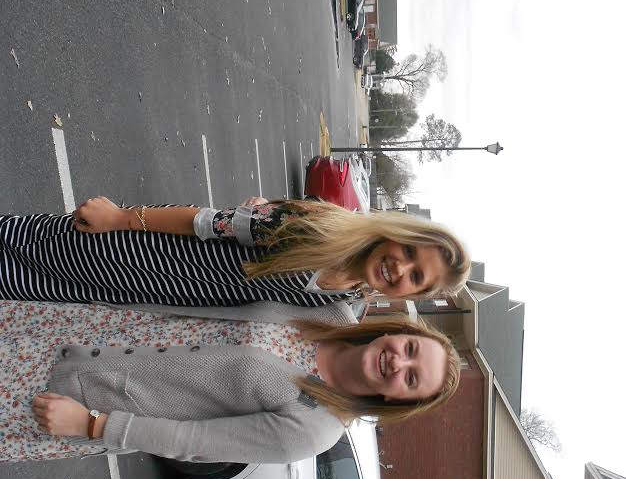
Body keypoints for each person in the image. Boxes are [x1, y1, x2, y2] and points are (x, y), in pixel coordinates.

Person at [0, 300, 460, 464]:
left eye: (411, 378)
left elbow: (192, 442)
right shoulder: (331, 313)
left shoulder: (315, 428)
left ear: (395, 401)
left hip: (83, 398)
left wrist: (91, 425)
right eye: (410, 348)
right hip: (90, 325)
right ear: (399, 332)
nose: (398, 362)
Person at [0, 197, 470, 317]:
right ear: (396, 232)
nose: (400, 268)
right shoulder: (318, 226)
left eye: (416, 277)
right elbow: (205, 222)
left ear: (413, 294)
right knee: (15, 243)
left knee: (16, 288)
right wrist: (121, 217)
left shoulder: (345, 306)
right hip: (127, 247)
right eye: (409, 251)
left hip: (142, 295)